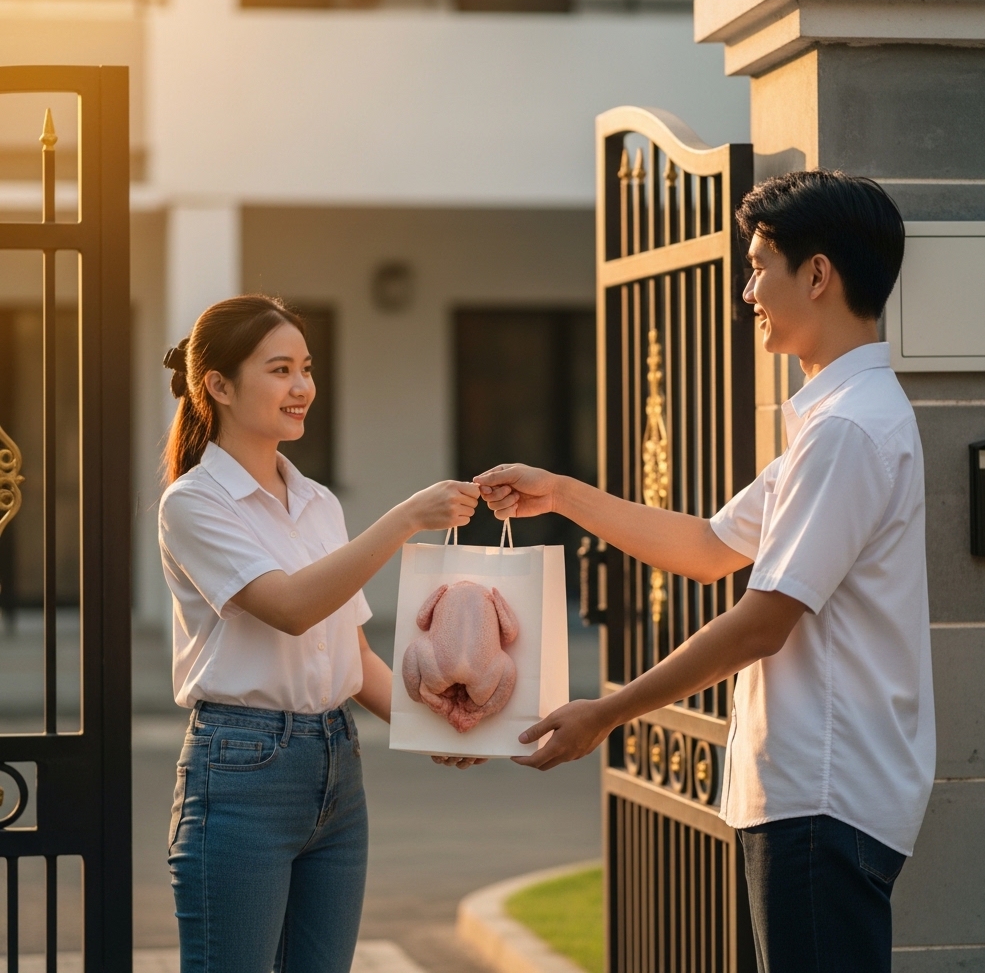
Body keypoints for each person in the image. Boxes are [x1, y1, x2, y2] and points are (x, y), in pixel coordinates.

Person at [476, 171, 934, 973]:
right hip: (822, 798)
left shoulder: (847, 432)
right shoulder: (836, 423)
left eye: (758, 268)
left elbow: (762, 623)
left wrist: (607, 712)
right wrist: (563, 494)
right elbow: (708, 547)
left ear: (817, 275)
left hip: (824, 797)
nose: (748, 292)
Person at [159, 294, 482, 973]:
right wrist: (405, 519)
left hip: (337, 764)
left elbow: (353, 656)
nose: (302, 386)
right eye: (280, 370)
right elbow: (290, 607)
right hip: (240, 770)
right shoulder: (192, 503)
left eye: (306, 368)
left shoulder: (317, 502)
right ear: (219, 385)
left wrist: (439, 727)